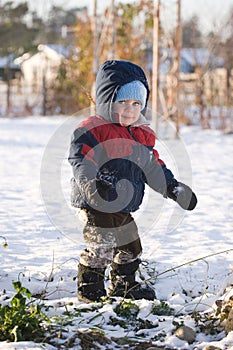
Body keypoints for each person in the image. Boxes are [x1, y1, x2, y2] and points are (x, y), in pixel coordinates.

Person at [68, 60, 197, 303]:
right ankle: (90, 287)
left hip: (123, 203)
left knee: (130, 247)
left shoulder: (140, 135)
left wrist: (172, 188)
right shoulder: (93, 129)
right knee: (101, 247)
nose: (130, 109)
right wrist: (91, 184)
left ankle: (124, 285)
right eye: (123, 102)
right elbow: (81, 160)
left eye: (136, 103)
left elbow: (152, 167)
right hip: (96, 202)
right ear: (107, 101)